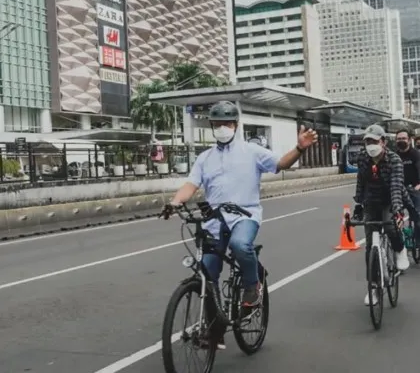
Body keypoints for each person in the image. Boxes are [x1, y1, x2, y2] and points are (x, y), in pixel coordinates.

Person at [169, 101, 316, 297]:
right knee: (206, 271)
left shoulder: (252, 152)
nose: (223, 128)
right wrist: (175, 202)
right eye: (218, 124)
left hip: (245, 216)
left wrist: (299, 148)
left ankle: (252, 285)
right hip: (214, 220)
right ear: (212, 126)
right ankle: (214, 321)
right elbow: (190, 185)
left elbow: (280, 164)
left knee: (239, 245)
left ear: (236, 125)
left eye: (227, 124)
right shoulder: (205, 157)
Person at [352, 124, 411, 306]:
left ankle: (400, 250)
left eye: (374, 141)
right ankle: (374, 287)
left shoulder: (394, 160)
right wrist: (359, 204)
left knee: (389, 225)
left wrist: (397, 210)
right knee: (370, 245)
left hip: (389, 199)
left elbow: (395, 187)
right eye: (367, 141)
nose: (370, 145)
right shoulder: (362, 158)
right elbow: (361, 182)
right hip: (371, 200)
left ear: (383, 142)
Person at [394, 129, 420, 245]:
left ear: (409, 140)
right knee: (392, 218)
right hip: (398, 190)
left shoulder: (416, 154)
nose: (401, 141)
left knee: (418, 217)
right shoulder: (394, 156)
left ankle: (418, 242)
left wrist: (418, 186)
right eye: (399, 139)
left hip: (414, 189)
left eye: (403, 138)